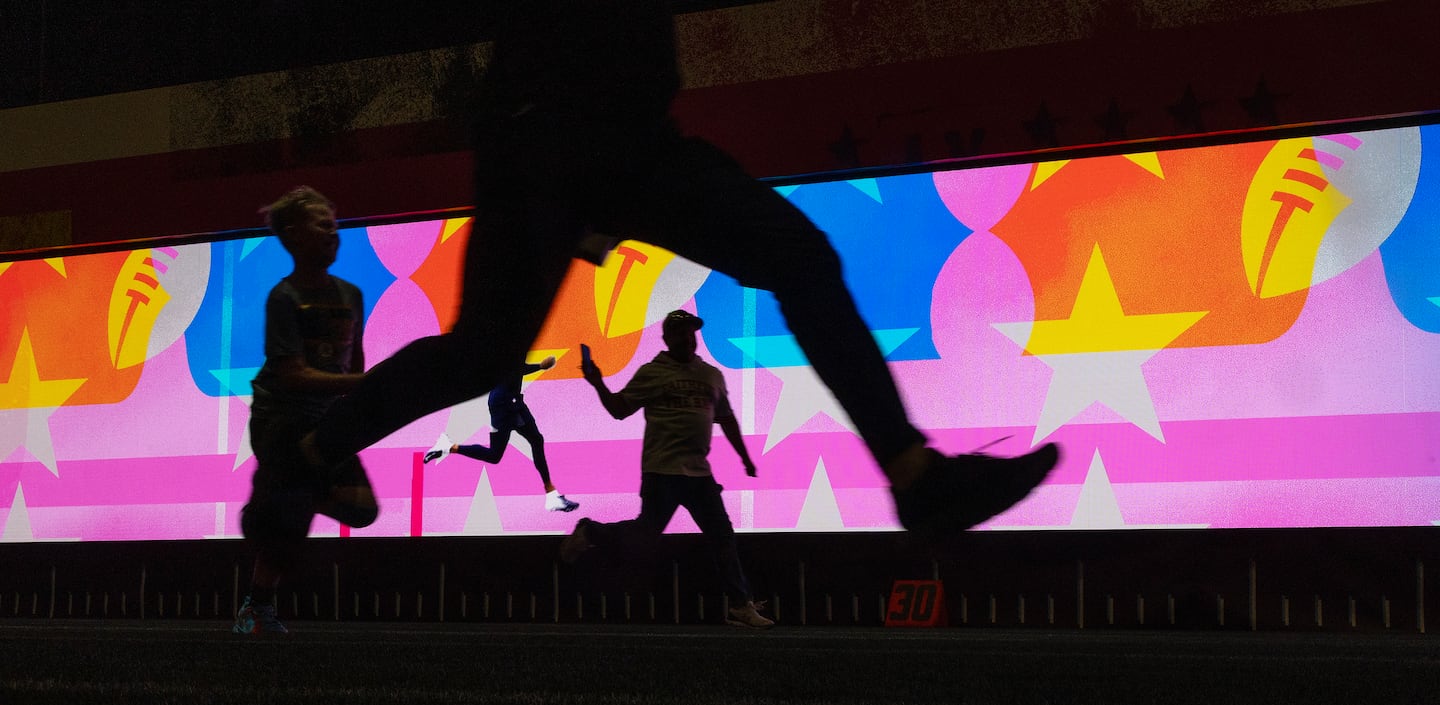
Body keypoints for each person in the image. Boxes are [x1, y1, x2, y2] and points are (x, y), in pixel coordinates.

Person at [282, 1, 1058, 547]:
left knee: (799, 256)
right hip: (548, 134)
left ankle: (913, 472)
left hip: (623, 139)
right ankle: (312, 453)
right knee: (481, 353)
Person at [566, 309, 772, 628]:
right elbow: (619, 410)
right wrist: (597, 383)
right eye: (680, 333)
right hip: (662, 471)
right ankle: (591, 531)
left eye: (692, 332)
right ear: (666, 339)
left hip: (699, 474)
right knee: (644, 534)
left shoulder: (710, 375)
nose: (688, 338)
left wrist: (745, 457)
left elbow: (726, 418)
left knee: (722, 536)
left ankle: (739, 604)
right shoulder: (653, 372)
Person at [233, 187, 379, 635]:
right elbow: (292, 376)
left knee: (361, 509)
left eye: (334, 224)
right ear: (294, 236)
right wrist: (365, 385)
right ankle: (257, 608)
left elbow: (355, 364)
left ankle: (284, 497)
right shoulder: (285, 297)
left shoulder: (351, 295)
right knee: (288, 526)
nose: (332, 232)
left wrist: (362, 400)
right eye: (322, 223)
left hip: (323, 420)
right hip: (281, 419)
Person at [423, 356, 579, 512]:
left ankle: (551, 495)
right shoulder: (506, 342)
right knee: (496, 455)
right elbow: (513, 369)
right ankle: (448, 447)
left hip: (511, 401)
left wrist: (539, 366)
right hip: (504, 405)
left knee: (535, 440)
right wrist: (539, 367)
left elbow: (515, 368)